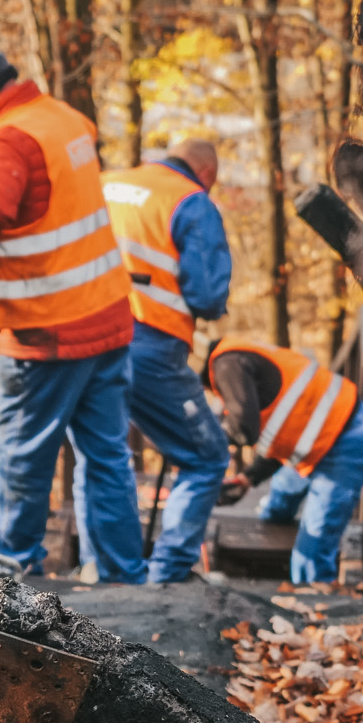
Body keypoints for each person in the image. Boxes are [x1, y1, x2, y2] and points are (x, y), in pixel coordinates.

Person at [0, 38, 146, 582]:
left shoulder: (8, 141)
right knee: (106, 458)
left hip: (46, 330)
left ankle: (10, 576)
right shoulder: (61, 118)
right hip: (107, 316)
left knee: (20, 458)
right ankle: (121, 577)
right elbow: (40, 215)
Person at [102, 139, 233, 583]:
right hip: (149, 343)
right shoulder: (191, 201)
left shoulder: (108, 183)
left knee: (101, 452)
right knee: (207, 456)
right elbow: (207, 295)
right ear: (206, 172)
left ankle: (113, 574)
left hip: (88, 336)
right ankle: (168, 573)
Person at [206, 336, 363, 585]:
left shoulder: (226, 364)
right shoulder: (244, 357)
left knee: (311, 553)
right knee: (277, 506)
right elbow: (280, 431)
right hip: (315, 443)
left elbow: (244, 428)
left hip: (347, 441)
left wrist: (203, 444)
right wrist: (249, 478)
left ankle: (314, 606)